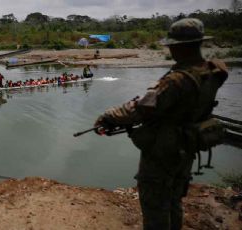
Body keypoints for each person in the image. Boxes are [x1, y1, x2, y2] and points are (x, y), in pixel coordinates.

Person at [93, 18, 228, 230]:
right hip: (187, 146)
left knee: (155, 206)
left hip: (164, 150)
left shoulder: (176, 80)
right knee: (174, 201)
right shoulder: (212, 72)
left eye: (172, 46)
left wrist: (108, 116)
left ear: (178, 46)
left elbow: (140, 109)